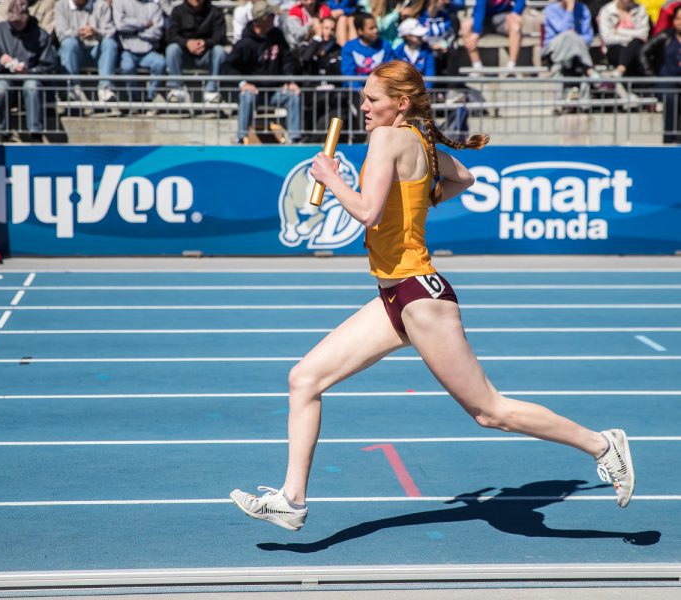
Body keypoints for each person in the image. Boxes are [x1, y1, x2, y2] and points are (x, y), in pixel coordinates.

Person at [230, 59, 635, 531]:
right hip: (394, 296)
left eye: (372, 99)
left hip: (419, 294)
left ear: (400, 103)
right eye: (362, 98)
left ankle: (604, 445)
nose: (363, 107)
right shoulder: (419, 138)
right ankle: (292, 499)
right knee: (304, 379)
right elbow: (464, 179)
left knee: (490, 411)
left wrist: (329, 176)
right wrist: (418, 202)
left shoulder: (387, 138)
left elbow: (365, 211)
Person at [223, 0, 302, 144]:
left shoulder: (277, 35)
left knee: (293, 95)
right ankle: (241, 138)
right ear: (263, 19)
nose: (274, 17)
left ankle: (295, 139)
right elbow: (228, 66)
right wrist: (243, 83)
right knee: (246, 96)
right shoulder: (246, 42)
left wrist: (289, 81)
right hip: (255, 92)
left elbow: (287, 60)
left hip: (274, 90)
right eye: (271, 15)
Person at [0, 0, 58, 140]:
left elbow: (48, 67)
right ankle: (3, 132)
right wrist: (0, 62)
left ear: (27, 16)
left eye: (19, 21)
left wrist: (29, 71)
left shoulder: (40, 34)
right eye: (13, 20)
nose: (16, 24)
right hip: (5, 77)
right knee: (0, 89)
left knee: (32, 86)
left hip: (30, 77)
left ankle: (35, 133)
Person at [54, 0, 119, 102]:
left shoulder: (102, 5)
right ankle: (72, 88)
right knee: (68, 43)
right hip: (74, 52)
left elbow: (109, 31)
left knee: (110, 44)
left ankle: (105, 88)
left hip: (97, 51)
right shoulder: (61, 5)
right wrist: (79, 33)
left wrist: (95, 32)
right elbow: (61, 33)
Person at [165, 0, 226, 103]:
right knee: (172, 49)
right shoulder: (178, 11)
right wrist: (187, 43)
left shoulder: (215, 12)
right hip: (185, 56)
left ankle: (211, 90)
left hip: (207, 56)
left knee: (219, 51)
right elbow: (171, 36)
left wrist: (205, 43)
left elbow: (221, 37)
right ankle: (176, 89)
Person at [112, 0, 167, 103]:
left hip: (149, 50)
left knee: (160, 63)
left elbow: (157, 32)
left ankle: (151, 97)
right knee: (127, 67)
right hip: (128, 51)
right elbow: (120, 25)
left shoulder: (154, 6)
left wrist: (135, 32)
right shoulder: (120, 2)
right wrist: (144, 24)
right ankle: (134, 99)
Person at [641, 2, 681, 143]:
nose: (680, 22)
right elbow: (643, 52)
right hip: (667, 81)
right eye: (677, 19)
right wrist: (651, 76)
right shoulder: (666, 36)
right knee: (671, 99)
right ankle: (669, 139)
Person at [460, 0, 525, 73]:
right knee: (466, 26)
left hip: (503, 16)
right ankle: (477, 67)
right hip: (483, 18)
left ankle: (511, 67)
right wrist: (476, 32)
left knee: (516, 24)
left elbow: (521, 2)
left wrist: (515, 12)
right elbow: (480, 8)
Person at [340, 11, 395, 88]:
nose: (376, 30)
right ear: (360, 31)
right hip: (355, 94)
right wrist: (360, 90)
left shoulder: (385, 45)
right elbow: (348, 73)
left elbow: (390, 70)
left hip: (380, 90)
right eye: (371, 28)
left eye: (376, 27)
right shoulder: (349, 47)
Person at [597, 0, 650, 78]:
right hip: (614, 48)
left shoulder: (640, 9)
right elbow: (607, 38)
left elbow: (644, 34)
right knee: (631, 49)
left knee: (635, 44)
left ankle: (621, 69)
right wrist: (632, 37)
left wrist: (619, 31)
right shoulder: (606, 11)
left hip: (636, 46)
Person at [393, 17, 435, 84]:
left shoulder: (427, 51)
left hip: (422, 90)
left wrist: (424, 92)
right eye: (417, 35)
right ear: (407, 36)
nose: (421, 36)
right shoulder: (398, 52)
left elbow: (430, 74)